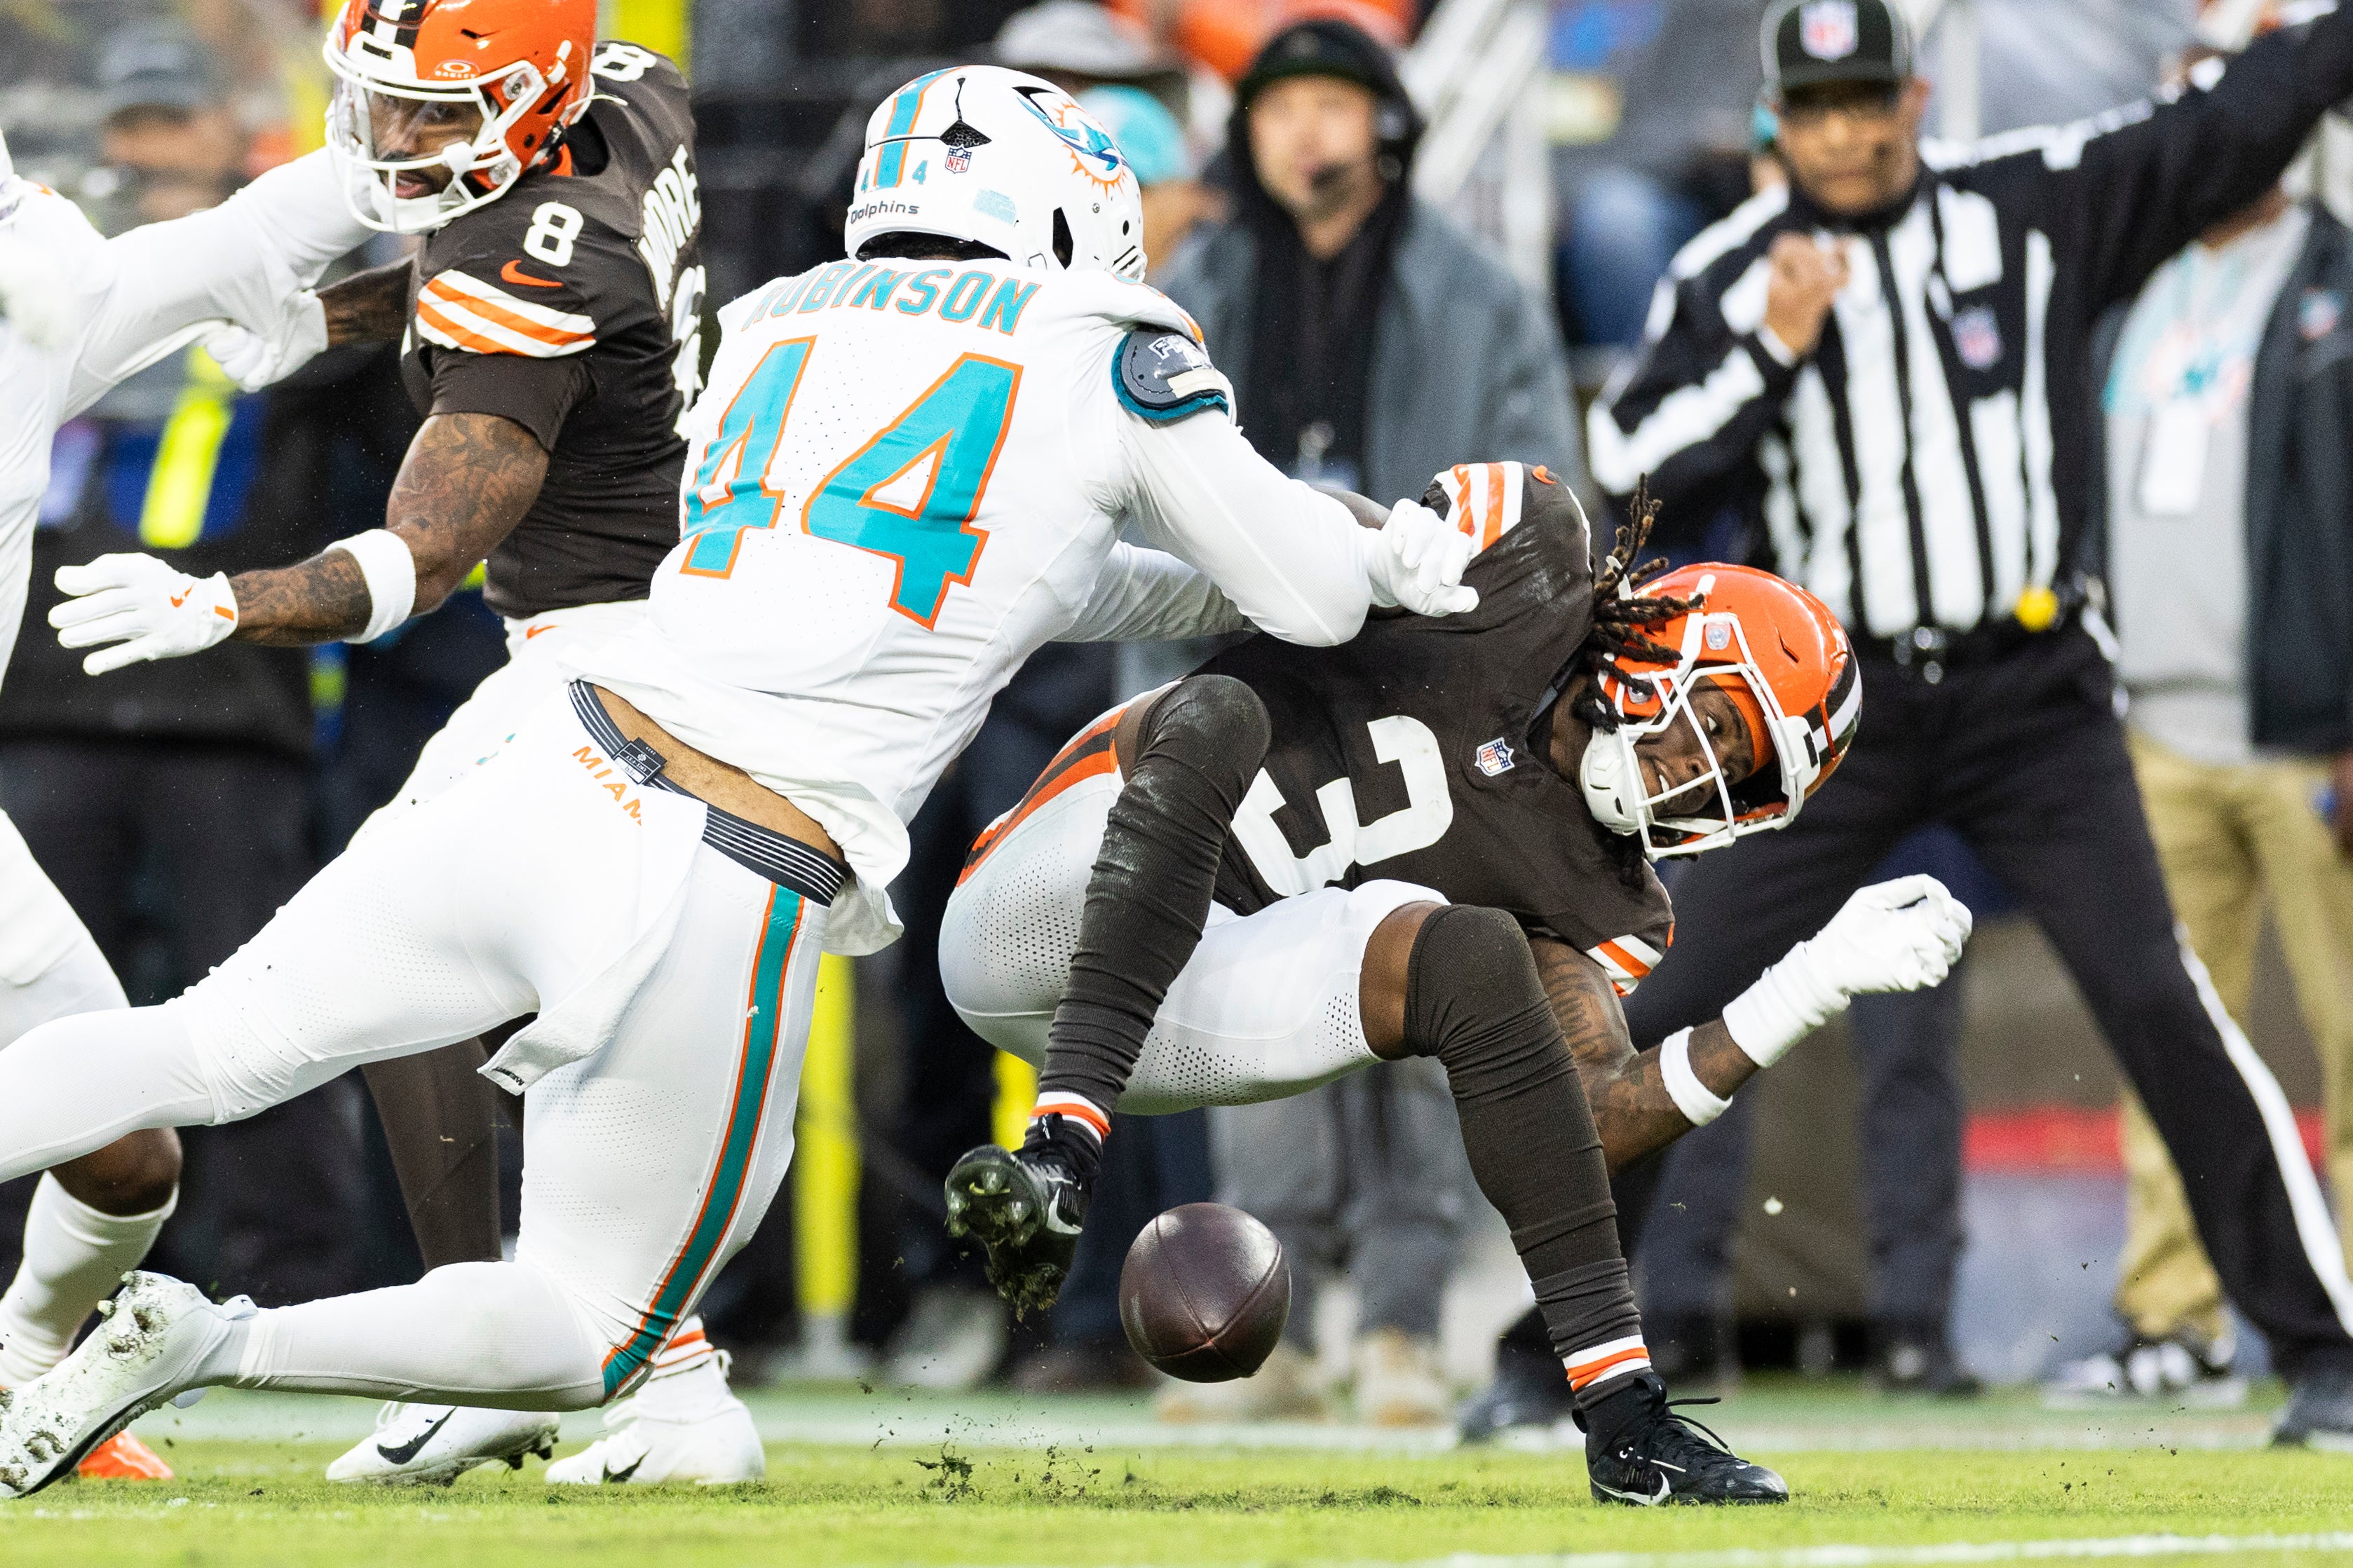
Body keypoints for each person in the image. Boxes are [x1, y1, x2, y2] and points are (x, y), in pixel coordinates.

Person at [0, 61, 1476, 1502]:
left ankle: (684, 1416)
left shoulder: (781, 316)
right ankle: (207, 1339)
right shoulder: (1104, 341)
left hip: (556, 749)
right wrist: (1386, 550)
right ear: (1063, 206)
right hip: (722, 856)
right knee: (592, 1327)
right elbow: (1303, 595)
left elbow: (1021, 574)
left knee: (196, 1044)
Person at [1580, 0, 2353, 1444]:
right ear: (1777, 125)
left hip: (2033, 697)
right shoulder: (1733, 271)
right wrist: (1770, 350)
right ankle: (1560, 1345)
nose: (1848, 133)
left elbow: (2213, 131)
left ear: (1916, 99)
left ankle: (2321, 1346)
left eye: (1869, 98)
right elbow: (1625, 467)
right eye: (1818, 108)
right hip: (1830, 710)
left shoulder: (2030, 206)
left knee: (2156, 997)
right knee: (1666, 1005)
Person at [940, 461, 1967, 1501]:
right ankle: (1059, 1151)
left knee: (1476, 954)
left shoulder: (1609, 900)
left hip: (1200, 1002)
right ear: (1672, 642)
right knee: (1222, 714)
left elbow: (1595, 1116)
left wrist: (1804, 986)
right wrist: (1363, 544)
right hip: (1049, 888)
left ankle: (1626, 1425)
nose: (1703, 778)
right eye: (1719, 728)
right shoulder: (1528, 557)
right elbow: (1284, 524)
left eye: (1741, 779)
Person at [42, 1, 740, 1487]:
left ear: (532, 96)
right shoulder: (634, 90)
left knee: (272, 1020)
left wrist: (220, 602)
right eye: (384, 96)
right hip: (660, 627)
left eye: (438, 109)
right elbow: (472, 260)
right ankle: (575, 1365)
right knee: (434, 977)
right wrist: (338, 315)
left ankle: (603, 1370)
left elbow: (415, 559)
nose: (395, 133)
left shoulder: (535, 268)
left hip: (619, 672)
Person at [0, 105, 364, 1480]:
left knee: (126, 1150)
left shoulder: (45, 307)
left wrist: (433, 137)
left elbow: (260, 233)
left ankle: (23, 1365)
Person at [2048, 143, 2353, 1402]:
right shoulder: (2135, 284)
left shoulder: (2337, 277)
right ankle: (2175, 1318)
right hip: (2153, 730)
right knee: (2169, 1039)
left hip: (2312, 734)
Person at [1158, 18, 1582, 504]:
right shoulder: (1194, 293)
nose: (1303, 135)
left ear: (1387, 125)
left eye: (1331, 106)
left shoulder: (1485, 302)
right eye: (1279, 110)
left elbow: (1542, 502)